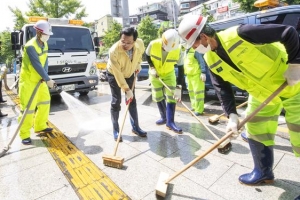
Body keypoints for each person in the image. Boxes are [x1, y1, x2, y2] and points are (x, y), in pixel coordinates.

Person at [178, 15, 300, 199]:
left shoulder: (241, 34)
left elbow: (287, 32)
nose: (195, 49)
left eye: (194, 45)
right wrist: (232, 116)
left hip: (293, 85)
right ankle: (263, 172)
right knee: (256, 129)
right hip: (262, 94)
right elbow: (222, 88)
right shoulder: (211, 59)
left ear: (203, 36)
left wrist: (295, 64)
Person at [18, 20, 56, 145]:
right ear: (39, 32)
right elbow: (36, 64)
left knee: (45, 101)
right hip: (28, 82)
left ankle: (40, 125)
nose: (48, 36)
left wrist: (45, 77)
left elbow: (45, 62)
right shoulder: (30, 46)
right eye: (46, 34)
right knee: (28, 109)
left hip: (40, 80)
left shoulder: (45, 44)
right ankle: (24, 134)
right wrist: (47, 79)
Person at [106, 27, 147, 142]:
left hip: (129, 73)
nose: (125, 44)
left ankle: (136, 127)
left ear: (134, 41)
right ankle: (116, 130)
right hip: (114, 74)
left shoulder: (139, 43)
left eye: (129, 43)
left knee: (131, 101)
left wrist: (138, 64)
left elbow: (140, 54)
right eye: (122, 41)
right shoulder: (113, 51)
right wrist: (126, 89)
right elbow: (117, 73)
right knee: (116, 101)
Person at [145, 29, 182, 133]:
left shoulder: (178, 49)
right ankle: (164, 117)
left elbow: (181, 68)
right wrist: (152, 67)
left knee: (171, 98)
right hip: (155, 74)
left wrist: (179, 90)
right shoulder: (153, 44)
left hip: (169, 74)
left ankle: (170, 122)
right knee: (158, 96)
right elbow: (147, 55)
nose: (165, 49)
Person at [184, 47, 207, 115]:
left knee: (198, 93)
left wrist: (203, 72)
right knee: (191, 92)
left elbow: (201, 61)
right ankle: (194, 106)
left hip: (196, 75)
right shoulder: (186, 51)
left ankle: (199, 110)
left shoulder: (195, 50)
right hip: (189, 75)